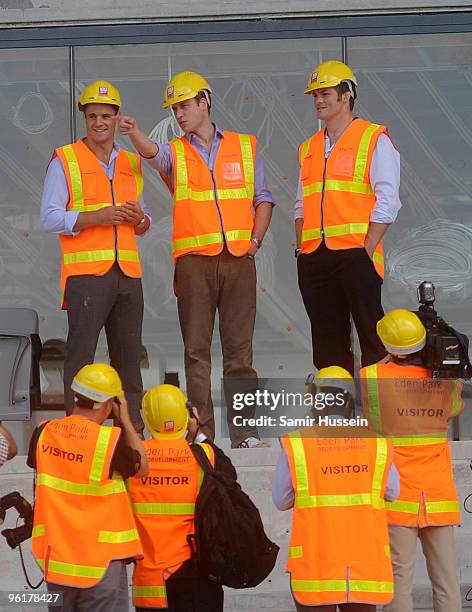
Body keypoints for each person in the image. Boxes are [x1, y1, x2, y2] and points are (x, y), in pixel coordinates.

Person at [118, 71, 274, 448]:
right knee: (196, 352)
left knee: (240, 353)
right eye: (174, 109)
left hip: (238, 260)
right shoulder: (176, 152)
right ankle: (202, 433)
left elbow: (263, 199)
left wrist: (254, 242)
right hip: (194, 264)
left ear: (204, 102)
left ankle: (245, 434)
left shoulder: (244, 147)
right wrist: (135, 133)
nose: (179, 114)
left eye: (184, 105)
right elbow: (152, 155)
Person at [40, 79, 151, 431]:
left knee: (129, 360)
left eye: (106, 115)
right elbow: (50, 216)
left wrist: (141, 219)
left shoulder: (132, 162)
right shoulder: (66, 159)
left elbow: (144, 221)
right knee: (81, 358)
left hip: (128, 275)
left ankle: (131, 432)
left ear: (117, 118)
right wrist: (96, 217)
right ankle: (78, 431)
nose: (99, 122)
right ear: (84, 118)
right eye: (92, 116)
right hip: (86, 275)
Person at [295, 60, 402, 375]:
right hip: (314, 257)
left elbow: (389, 199)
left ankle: (376, 417)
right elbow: (301, 205)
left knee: (373, 340)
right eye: (315, 95)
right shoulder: (308, 148)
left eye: (325, 93)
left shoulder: (373, 138)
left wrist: (367, 249)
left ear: (347, 96)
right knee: (327, 346)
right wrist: (302, 247)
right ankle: (336, 420)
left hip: (356, 253)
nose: (318, 101)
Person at [361, 309, 463, 612]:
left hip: (398, 497)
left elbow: (370, 417)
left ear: (388, 345)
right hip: (438, 495)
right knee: (446, 581)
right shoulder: (444, 380)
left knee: (398, 578)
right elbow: (455, 408)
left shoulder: (371, 378)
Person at [273, 366, 398, 611]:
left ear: (315, 402)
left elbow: (281, 501)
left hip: (315, 569)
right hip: (364, 568)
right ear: (350, 402)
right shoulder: (376, 443)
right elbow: (393, 492)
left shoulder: (298, 443)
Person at [27, 363, 148, 612]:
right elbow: (143, 467)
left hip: (56, 561)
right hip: (101, 566)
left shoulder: (42, 434)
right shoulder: (110, 443)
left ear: (76, 396)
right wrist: (125, 418)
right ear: (109, 404)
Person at [128, 383, 236, 611]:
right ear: (187, 416)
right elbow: (230, 477)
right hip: (197, 577)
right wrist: (197, 433)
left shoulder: (134, 461)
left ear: (147, 418)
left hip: (150, 583)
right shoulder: (205, 455)